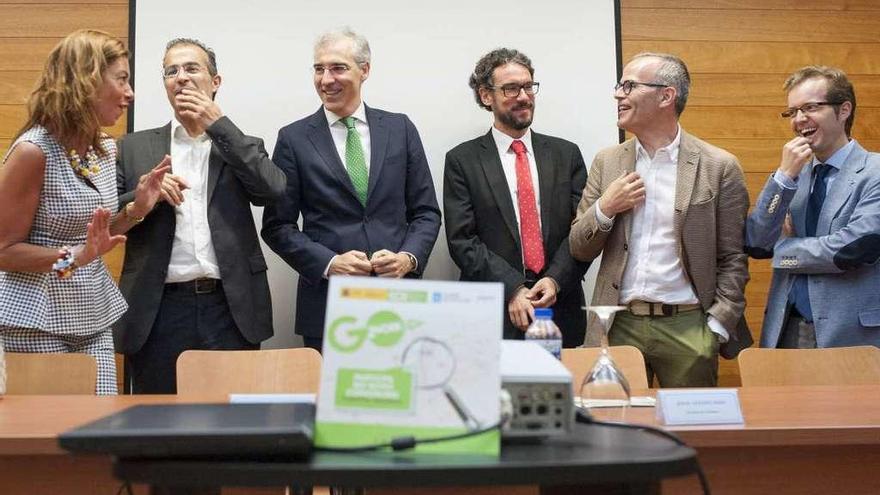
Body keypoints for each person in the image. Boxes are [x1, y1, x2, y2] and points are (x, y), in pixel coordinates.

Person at [114, 38, 287, 393]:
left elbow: (272, 191)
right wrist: (142, 199)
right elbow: (108, 218)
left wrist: (219, 125)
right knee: (156, 427)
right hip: (158, 310)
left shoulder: (243, 145)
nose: (181, 78)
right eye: (171, 71)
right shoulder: (132, 147)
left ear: (215, 82)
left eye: (192, 68)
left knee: (232, 429)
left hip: (230, 307)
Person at [0, 29, 168, 395]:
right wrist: (74, 258)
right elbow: (3, 252)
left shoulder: (103, 149)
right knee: (50, 442)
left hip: (91, 315)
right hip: (33, 321)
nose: (130, 93)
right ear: (86, 81)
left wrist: (137, 209)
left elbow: (98, 236)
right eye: (121, 80)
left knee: (99, 433)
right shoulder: (33, 152)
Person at [569, 53, 751, 387]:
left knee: (692, 435)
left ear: (666, 96)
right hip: (617, 324)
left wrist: (716, 327)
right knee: (613, 429)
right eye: (619, 85)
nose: (618, 94)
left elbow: (733, 257)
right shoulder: (607, 161)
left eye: (629, 86)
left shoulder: (719, 166)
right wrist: (606, 208)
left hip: (688, 327)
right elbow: (579, 246)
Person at [262, 27, 441, 352]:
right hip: (328, 306)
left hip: (399, 300)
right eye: (319, 69)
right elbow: (277, 226)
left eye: (337, 68)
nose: (326, 79)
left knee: (397, 399)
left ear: (365, 70)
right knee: (330, 402)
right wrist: (329, 263)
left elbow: (426, 212)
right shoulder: (293, 139)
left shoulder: (400, 128)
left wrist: (408, 258)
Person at [444, 48, 589, 346]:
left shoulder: (567, 154)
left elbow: (583, 232)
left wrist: (555, 280)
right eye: (511, 88)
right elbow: (462, 241)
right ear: (486, 95)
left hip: (560, 307)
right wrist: (513, 289)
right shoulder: (462, 160)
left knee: (560, 393)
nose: (524, 96)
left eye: (528, 86)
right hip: (492, 309)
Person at [745, 66, 880, 349]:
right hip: (787, 328)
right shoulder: (792, 176)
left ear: (844, 110)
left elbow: (853, 248)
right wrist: (783, 178)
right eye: (792, 112)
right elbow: (757, 243)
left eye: (810, 108)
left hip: (852, 333)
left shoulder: (874, 172)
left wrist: (783, 249)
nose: (799, 120)